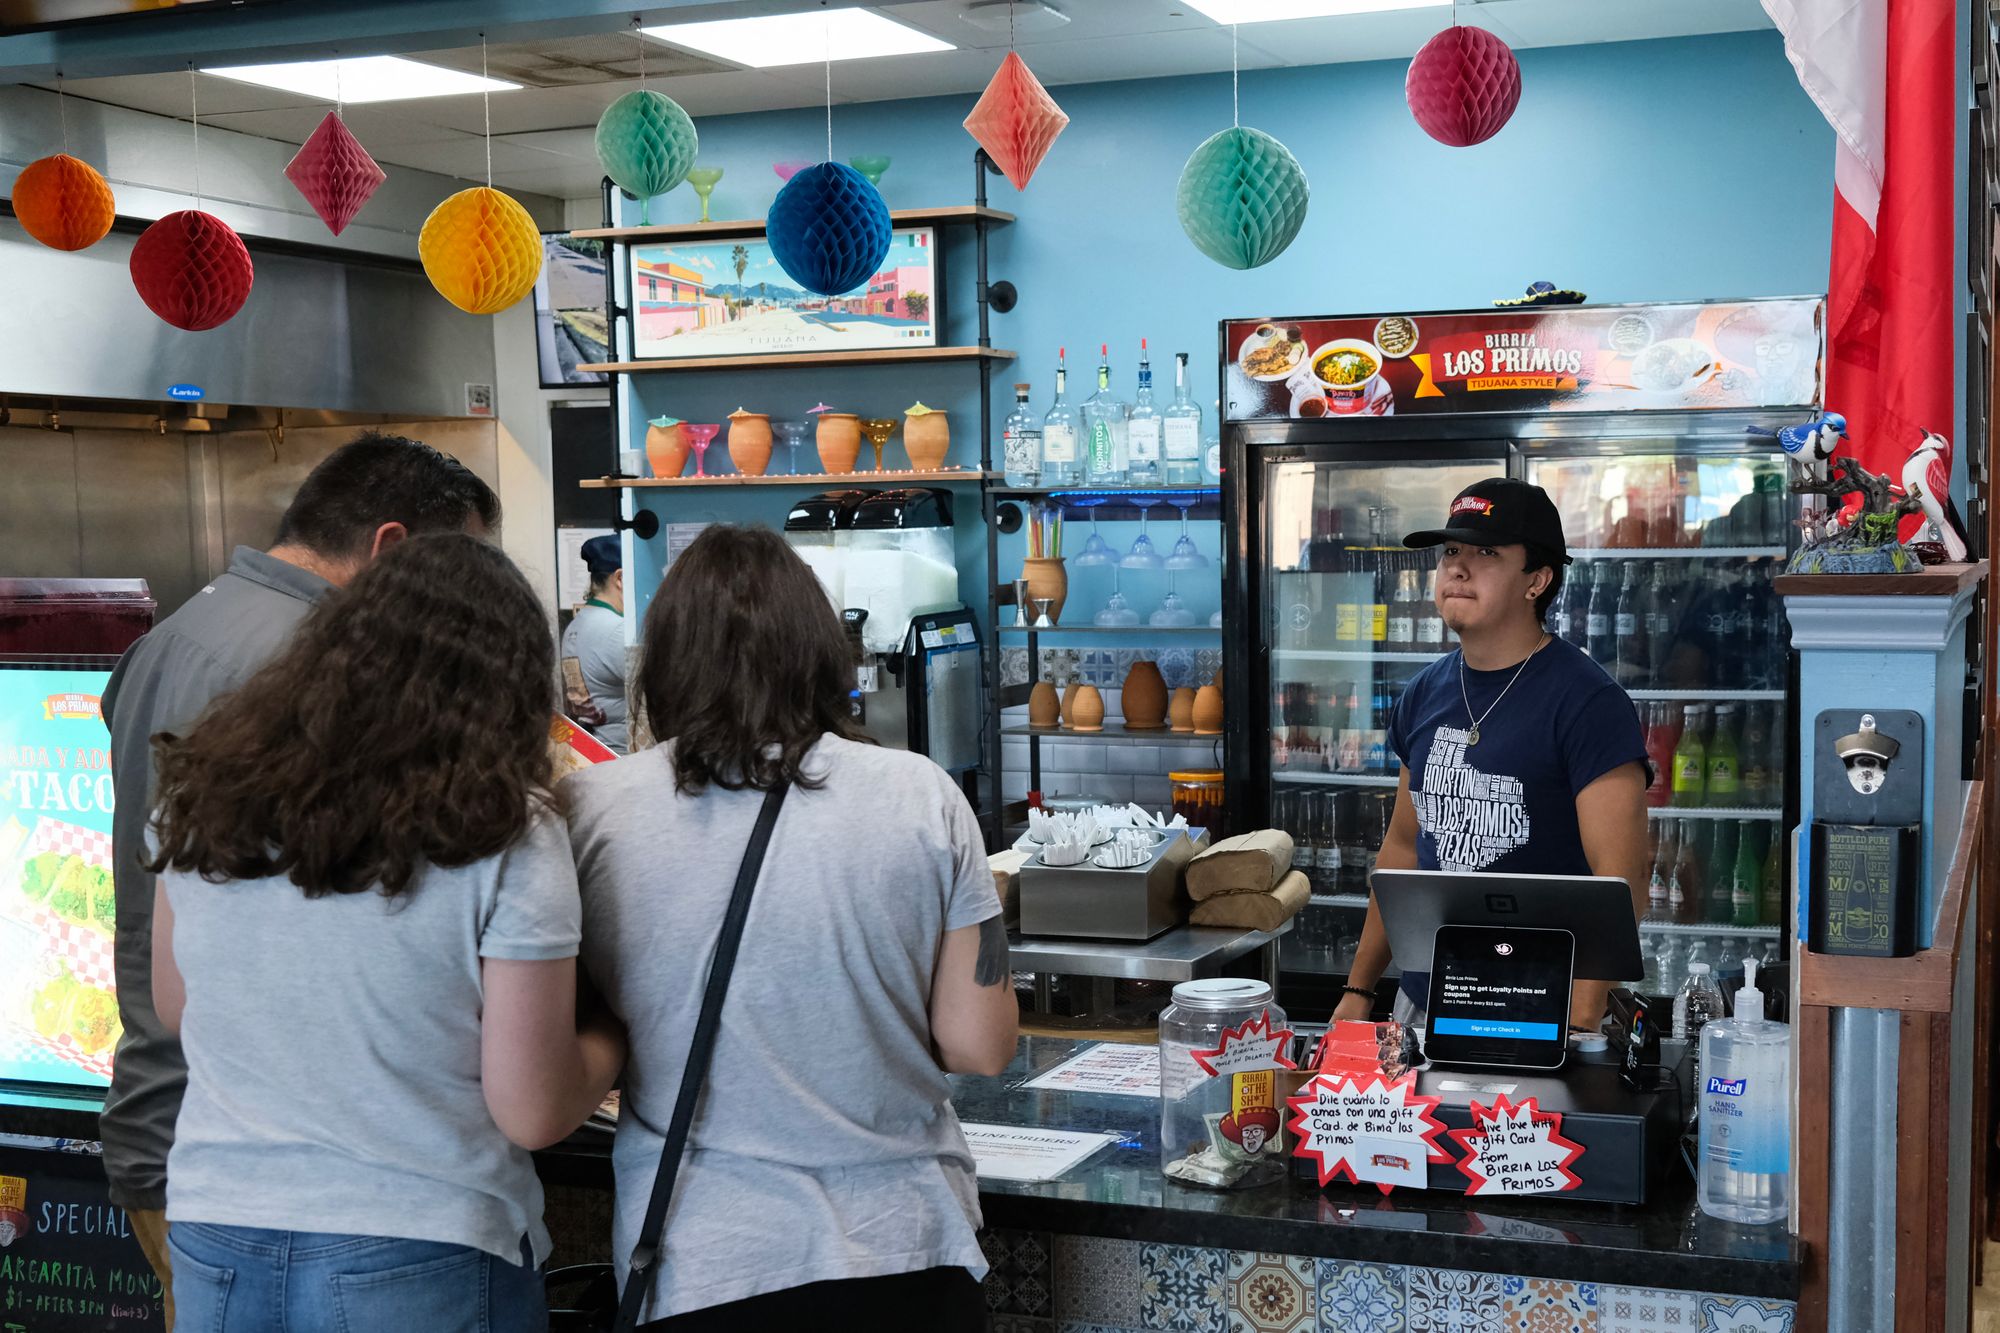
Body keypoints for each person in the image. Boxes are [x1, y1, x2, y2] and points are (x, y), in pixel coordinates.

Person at [145, 534, 624, 1333]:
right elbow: (534, 1109)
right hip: (421, 1241)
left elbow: (174, 1003)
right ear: (505, 686)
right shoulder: (504, 828)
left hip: (218, 1230)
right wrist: (614, 1033)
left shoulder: (206, 791)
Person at [564, 525, 1017, 1331]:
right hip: (904, 1254)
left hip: (703, 1261)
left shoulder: (592, 811)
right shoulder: (921, 794)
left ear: (664, 663)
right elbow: (980, 1044)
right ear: (820, 651)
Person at [99, 432, 502, 1322]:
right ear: (393, 549)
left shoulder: (170, 637)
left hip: (176, 1128)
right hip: (292, 1160)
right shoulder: (317, 669)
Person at [1332, 478, 1650, 1033]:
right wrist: (1359, 992)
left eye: (1486, 553)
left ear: (1538, 580)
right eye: (1451, 551)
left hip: (1541, 1009)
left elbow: (1622, 882)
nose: (1457, 568)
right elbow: (1404, 849)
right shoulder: (1423, 694)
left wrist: (1579, 1016)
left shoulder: (1587, 702)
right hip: (1427, 1002)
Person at [561, 534, 630, 753]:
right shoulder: (618, 630)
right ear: (620, 579)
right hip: (623, 758)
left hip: (593, 754)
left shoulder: (575, 627)